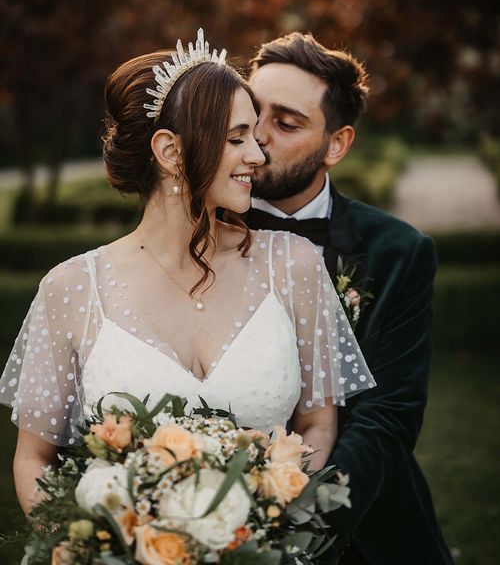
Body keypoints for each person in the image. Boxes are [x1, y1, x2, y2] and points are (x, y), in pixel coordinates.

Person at [0, 30, 374, 517]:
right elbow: (34, 458)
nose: (258, 155)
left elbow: (319, 426)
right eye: (237, 138)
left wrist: (274, 527)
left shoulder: (294, 265)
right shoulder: (71, 289)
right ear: (171, 152)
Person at [245, 32, 453, 565]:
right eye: (251, 112)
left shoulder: (398, 252)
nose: (257, 136)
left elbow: (390, 413)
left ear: (336, 144)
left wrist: (299, 523)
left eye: (286, 123)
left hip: (367, 528)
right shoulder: (197, 236)